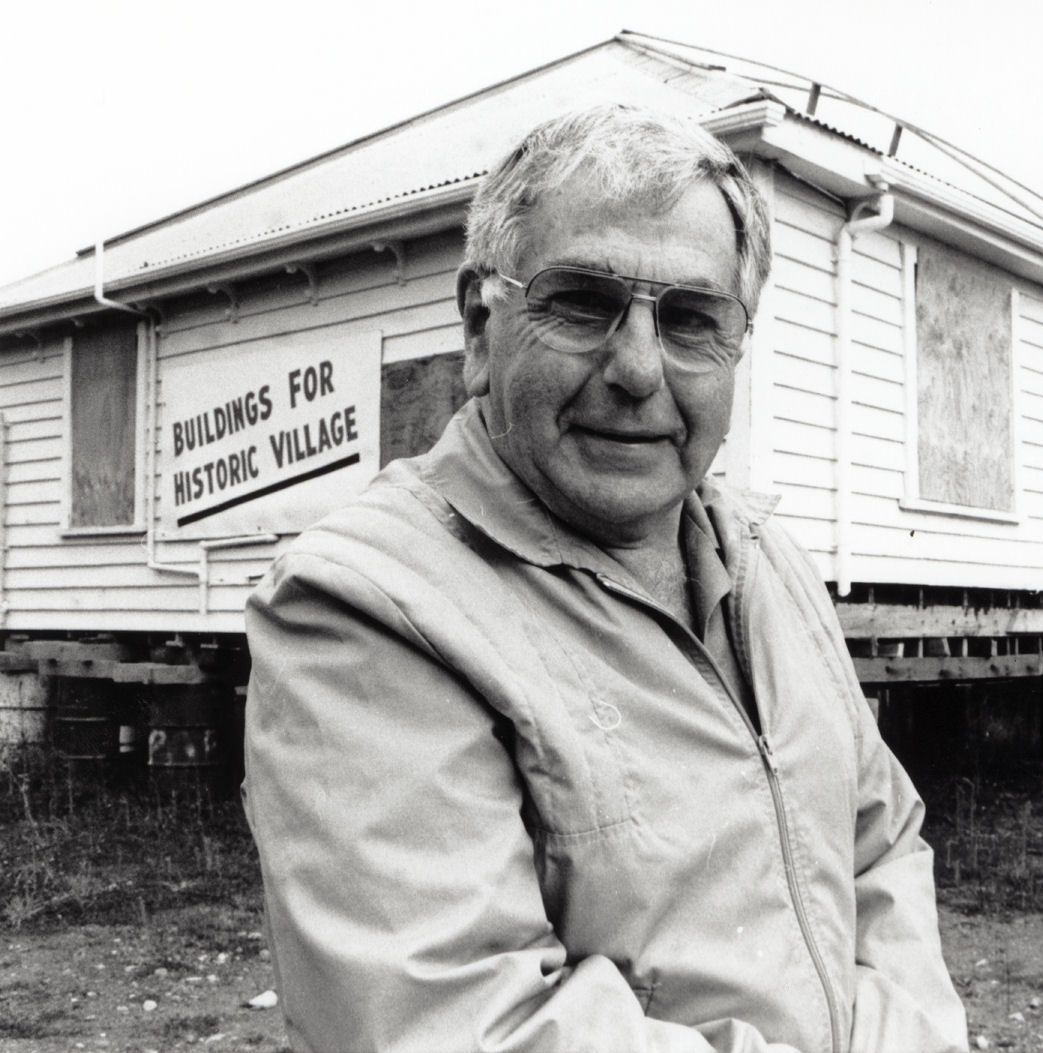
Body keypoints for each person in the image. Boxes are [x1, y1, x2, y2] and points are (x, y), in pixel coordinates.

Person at [242, 103, 968, 1053]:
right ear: (477, 329)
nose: (636, 366)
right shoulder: (366, 602)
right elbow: (459, 1025)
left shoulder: (768, 559)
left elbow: (882, 844)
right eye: (582, 304)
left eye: (692, 320)